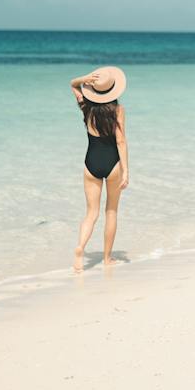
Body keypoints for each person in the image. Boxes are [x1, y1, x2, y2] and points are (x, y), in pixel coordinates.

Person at [68, 65, 128, 268]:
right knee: (111, 211)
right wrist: (126, 170)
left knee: (90, 213)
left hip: (91, 163)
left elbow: (72, 84)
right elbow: (120, 141)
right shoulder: (118, 110)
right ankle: (106, 258)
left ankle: (80, 246)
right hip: (113, 165)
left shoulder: (87, 107)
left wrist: (84, 78)